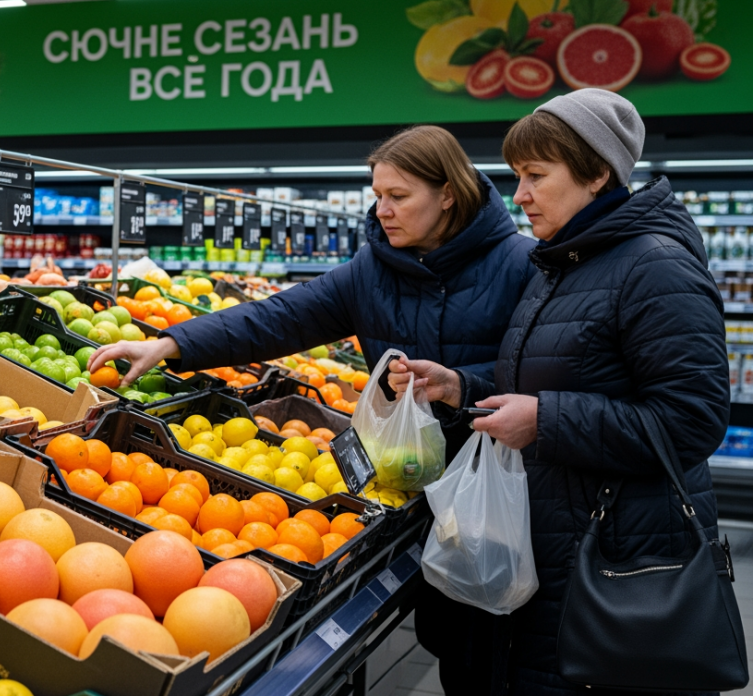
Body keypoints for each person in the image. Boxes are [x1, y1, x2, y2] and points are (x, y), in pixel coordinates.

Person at [89, 124, 535, 693]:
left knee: (493, 648)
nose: (384, 210)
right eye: (378, 195)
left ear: (447, 193)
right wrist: (170, 343)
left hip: (497, 488)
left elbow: (547, 372)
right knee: (447, 638)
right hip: (401, 487)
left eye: (399, 197)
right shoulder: (374, 271)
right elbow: (276, 318)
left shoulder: (523, 264)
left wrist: (459, 384)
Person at [393, 89, 728, 693]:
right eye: (517, 176)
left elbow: (693, 420)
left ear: (597, 173)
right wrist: (458, 386)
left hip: (615, 562)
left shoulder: (655, 266)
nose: (518, 195)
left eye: (535, 176)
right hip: (556, 546)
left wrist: (545, 421)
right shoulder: (568, 262)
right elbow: (557, 376)